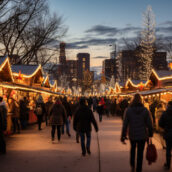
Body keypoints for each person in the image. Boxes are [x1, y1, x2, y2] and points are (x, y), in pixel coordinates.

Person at [121, 93, 153, 172]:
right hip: (142, 135)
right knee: (140, 152)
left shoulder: (128, 110)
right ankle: (139, 168)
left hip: (132, 134)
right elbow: (150, 123)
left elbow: (125, 124)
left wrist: (123, 135)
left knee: (132, 149)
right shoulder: (145, 110)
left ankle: (132, 165)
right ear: (141, 100)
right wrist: (151, 134)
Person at [159, 101, 172, 170]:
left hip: (168, 134)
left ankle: (168, 164)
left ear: (168, 105)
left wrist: (165, 127)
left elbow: (160, 123)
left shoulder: (165, 113)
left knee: (168, 149)